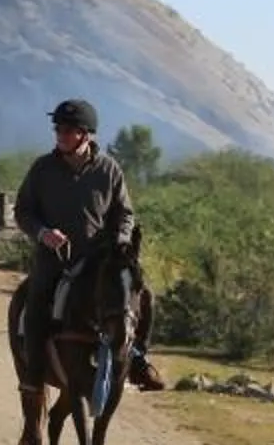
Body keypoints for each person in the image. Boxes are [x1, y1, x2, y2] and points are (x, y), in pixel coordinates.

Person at [13, 97, 164, 390]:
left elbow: (125, 213)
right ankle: (33, 375)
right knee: (35, 302)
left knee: (144, 296)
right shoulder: (42, 168)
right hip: (54, 259)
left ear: (86, 134)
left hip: (100, 260)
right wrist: (43, 233)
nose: (61, 136)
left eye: (68, 130)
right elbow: (23, 211)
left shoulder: (109, 170)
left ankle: (139, 360)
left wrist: (120, 241)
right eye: (58, 130)